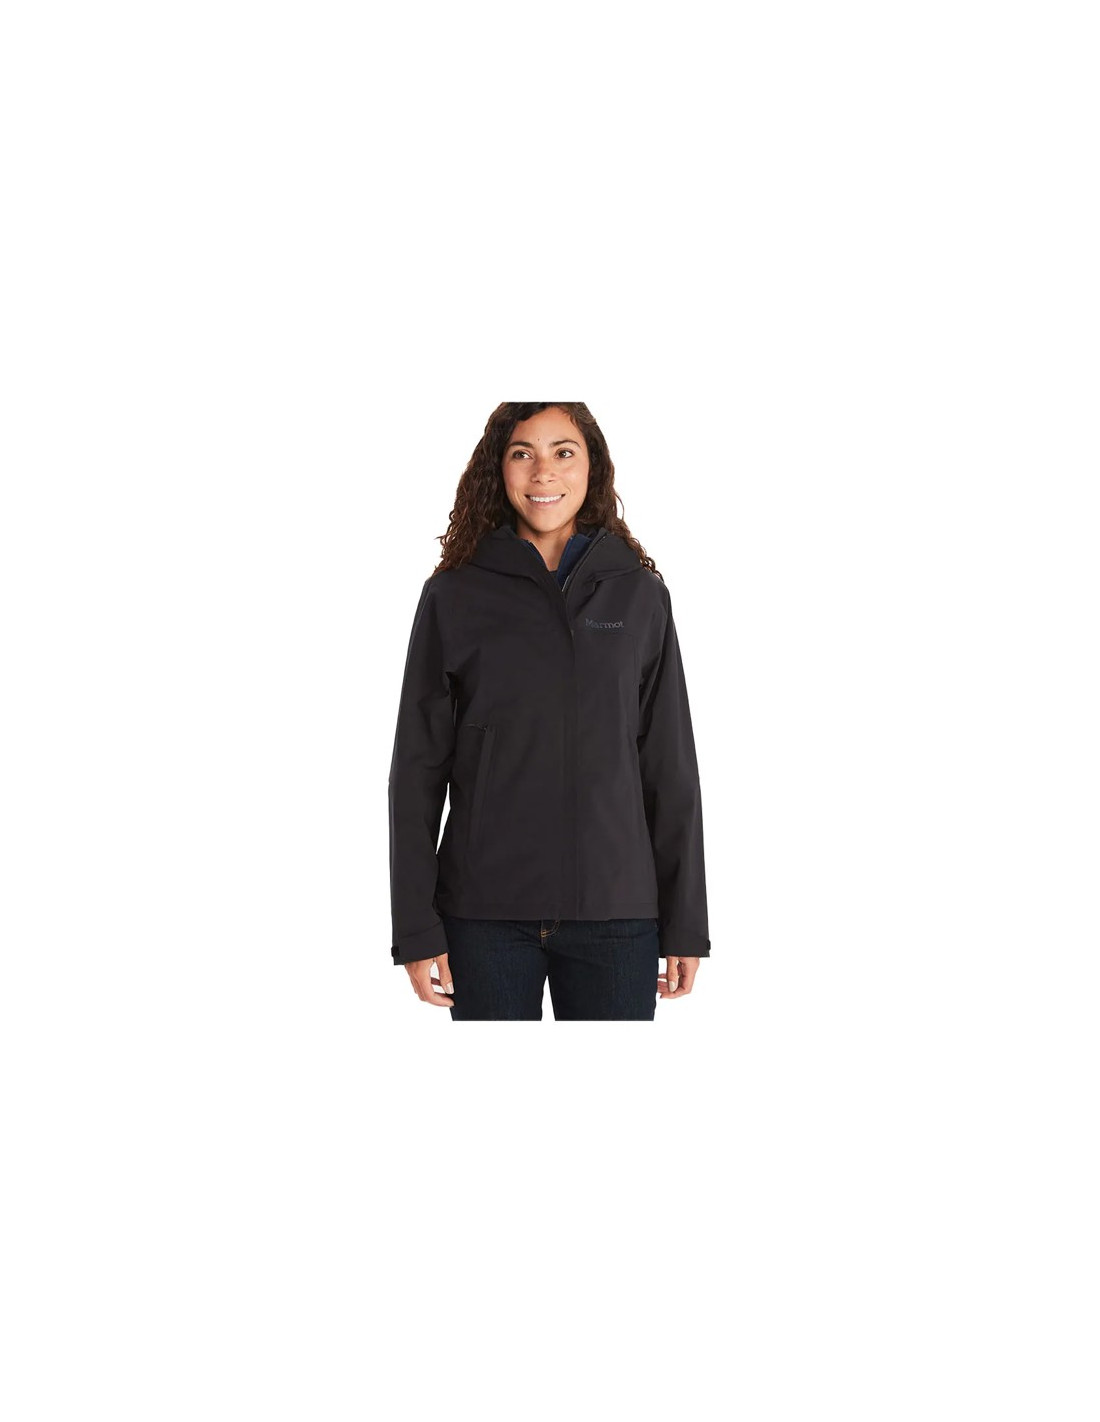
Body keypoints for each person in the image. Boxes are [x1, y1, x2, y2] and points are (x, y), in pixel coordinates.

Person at [387, 402, 710, 1020]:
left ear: (592, 467)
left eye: (564, 452)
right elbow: (417, 772)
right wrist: (416, 928)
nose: (544, 472)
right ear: (499, 468)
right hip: (483, 916)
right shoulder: (453, 595)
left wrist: (686, 923)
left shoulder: (640, 595)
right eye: (522, 453)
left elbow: (670, 767)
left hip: (617, 915)